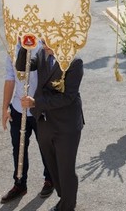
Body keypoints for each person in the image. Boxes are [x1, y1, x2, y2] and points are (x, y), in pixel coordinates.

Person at [17, 39, 84, 211]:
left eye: (47, 41)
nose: (43, 44)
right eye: (42, 41)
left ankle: (67, 206)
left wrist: (35, 103)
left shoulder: (74, 62)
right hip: (45, 121)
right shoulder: (41, 54)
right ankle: (64, 197)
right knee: (53, 166)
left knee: (65, 168)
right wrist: (25, 47)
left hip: (66, 124)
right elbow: (22, 66)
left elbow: (68, 97)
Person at [1, 47, 54, 203]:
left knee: (46, 146)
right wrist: (5, 108)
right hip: (18, 108)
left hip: (39, 109)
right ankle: (19, 183)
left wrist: (39, 102)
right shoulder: (11, 48)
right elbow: (10, 79)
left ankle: (50, 179)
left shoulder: (41, 47)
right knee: (18, 148)